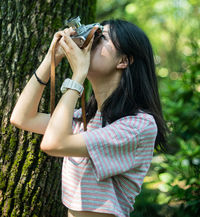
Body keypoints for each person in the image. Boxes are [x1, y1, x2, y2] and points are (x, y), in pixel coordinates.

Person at [10, 19, 168, 217]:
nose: (92, 40)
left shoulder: (139, 125)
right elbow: (22, 118)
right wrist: (52, 57)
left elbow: (54, 143)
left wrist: (78, 75)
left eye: (101, 37)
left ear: (123, 61)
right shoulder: (85, 117)